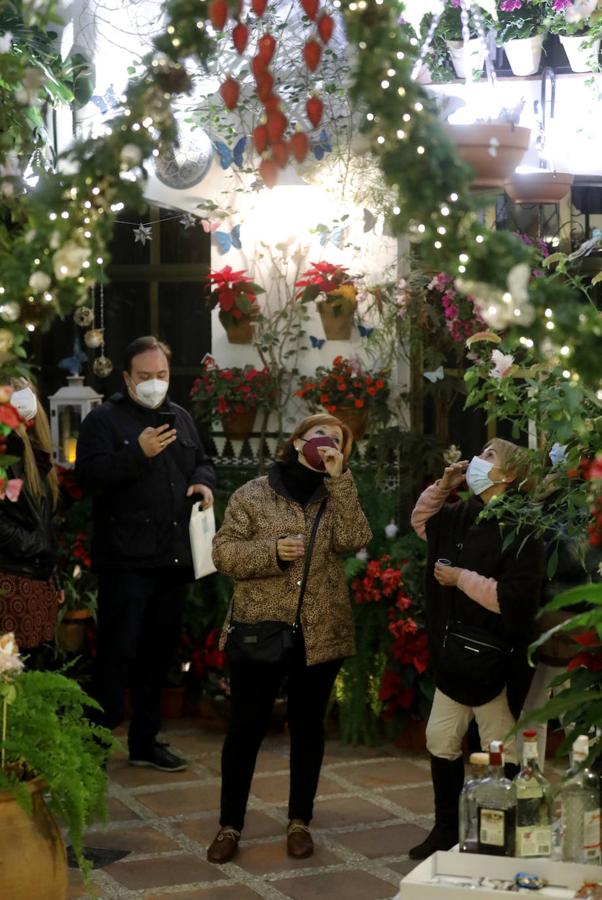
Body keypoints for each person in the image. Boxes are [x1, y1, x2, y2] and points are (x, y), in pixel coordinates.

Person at [206, 413, 372, 864]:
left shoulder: (337, 495)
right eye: (320, 435)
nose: (328, 443)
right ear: (298, 442)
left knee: (308, 727)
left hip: (321, 633)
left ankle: (300, 821)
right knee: (245, 728)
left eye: (337, 441)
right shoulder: (253, 494)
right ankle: (229, 825)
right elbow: (223, 553)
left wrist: (341, 482)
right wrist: (272, 552)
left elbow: (356, 538)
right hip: (258, 630)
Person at [75, 336, 216, 772]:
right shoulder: (104, 420)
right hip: (126, 561)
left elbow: (203, 460)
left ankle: (145, 741)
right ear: (126, 377)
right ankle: (95, 743)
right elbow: (88, 476)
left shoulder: (181, 418)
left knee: (159, 655)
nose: (155, 383)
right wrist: (137, 453)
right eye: (145, 376)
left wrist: (204, 481)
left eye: (162, 375)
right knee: (117, 654)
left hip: (173, 559)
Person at [408, 438, 544, 860]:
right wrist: (443, 486)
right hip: (453, 654)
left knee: (498, 747)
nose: (478, 461)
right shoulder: (461, 514)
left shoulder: (522, 527)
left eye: (490, 456)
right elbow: (422, 522)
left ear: (510, 475)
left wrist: (461, 578)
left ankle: (496, 833)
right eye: (481, 453)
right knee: (440, 738)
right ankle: (446, 829)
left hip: (496, 659)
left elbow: (513, 598)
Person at [0, 379, 61, 650]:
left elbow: (42, 519)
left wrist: (53, 573)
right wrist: (38, 546)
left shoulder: (36, 451)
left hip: (37, 581)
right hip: (12, 580)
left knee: (37, 665)